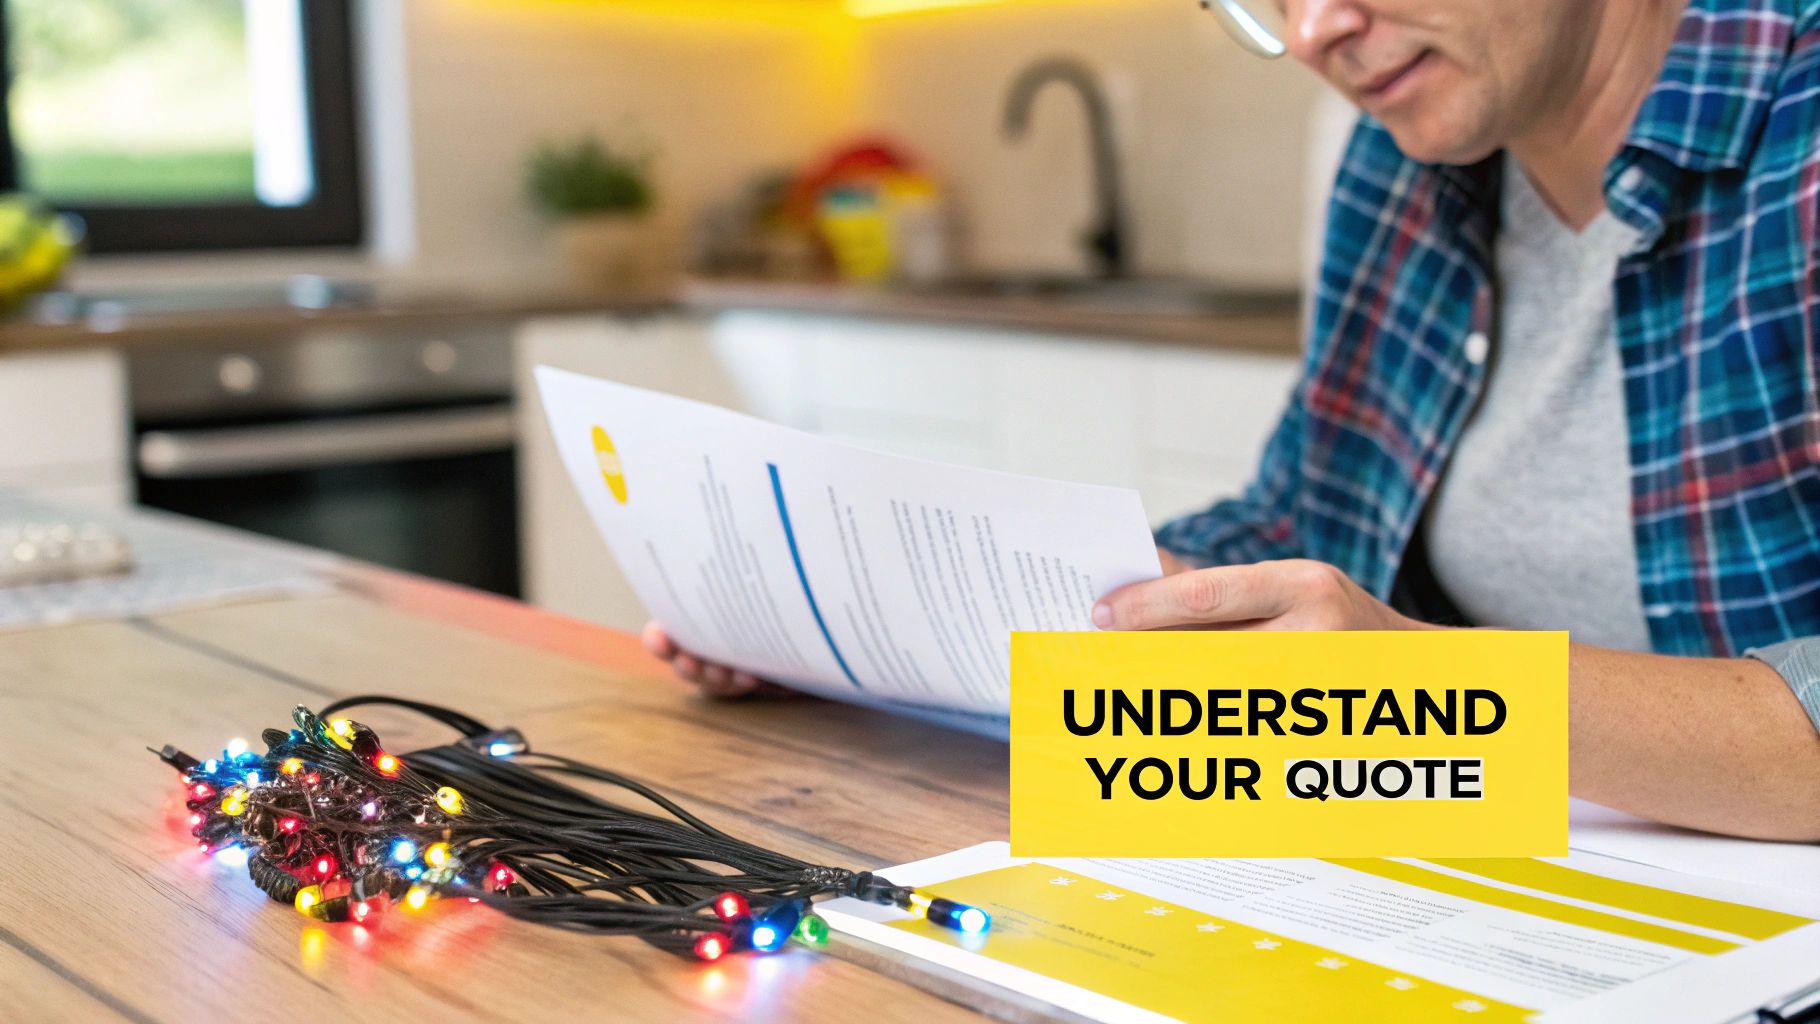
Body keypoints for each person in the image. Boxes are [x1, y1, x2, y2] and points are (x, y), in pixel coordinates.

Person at [647, 0, 1820, 841]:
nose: (1310, 33)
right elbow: (1307, 520)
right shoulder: (1405, 163)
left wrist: (1440, 696)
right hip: (1531, 869)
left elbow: (1395, 669)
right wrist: (879, 639)